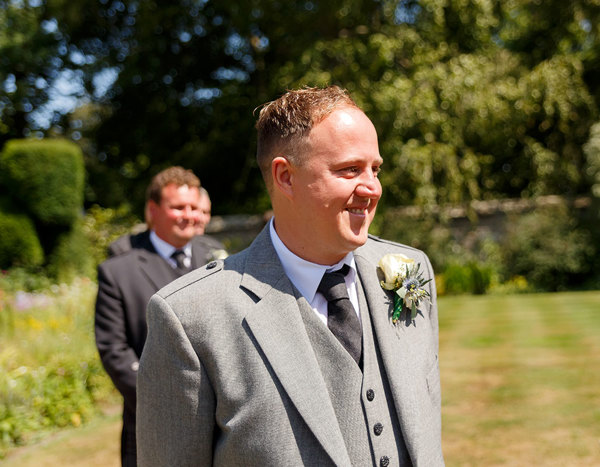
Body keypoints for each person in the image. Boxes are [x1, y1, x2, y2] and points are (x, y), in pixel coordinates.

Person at [136, 86, 443, 466]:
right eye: (349, 169)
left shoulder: (410, 271)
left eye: (375, 169)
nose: (372, 188)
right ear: (285, 176)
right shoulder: (191, 316)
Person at [95, 166, 226, 467]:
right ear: (153, 211)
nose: (189, 215)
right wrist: (166, 398)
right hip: (152, 416)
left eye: (194, 207)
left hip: (222, 417)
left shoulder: (216, 255)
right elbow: (114, 350)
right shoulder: (119, 270)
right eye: (178, 207)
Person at [108, 186, 220, 257]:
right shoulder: (124, 250)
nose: (198, 218)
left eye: (205, 212)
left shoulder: (214, 249)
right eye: (179, 208)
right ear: (153, 210)